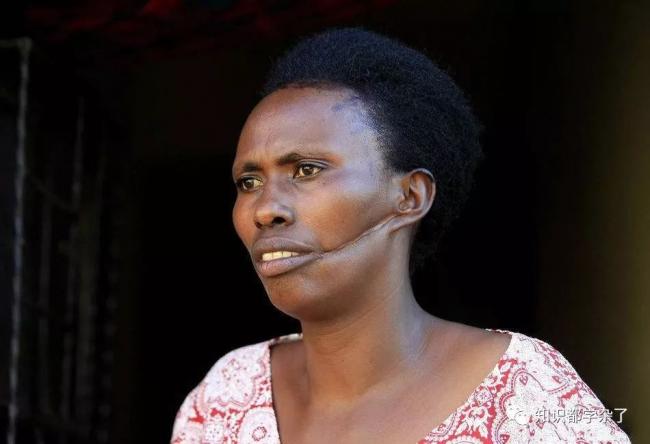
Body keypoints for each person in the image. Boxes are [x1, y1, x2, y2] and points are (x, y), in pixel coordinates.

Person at [170, 28, 630, 444]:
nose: (265, 209)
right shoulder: (224, 397)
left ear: (409, 197)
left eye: (306, 170)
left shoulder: (526, 396)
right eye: (249, 182)